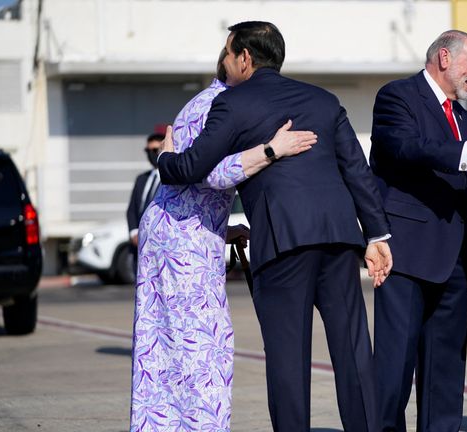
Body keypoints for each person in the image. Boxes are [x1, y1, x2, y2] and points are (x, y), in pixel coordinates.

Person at [158, 22, 392, 432]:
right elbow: (357, 170)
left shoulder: (232, 103)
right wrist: (376, 234)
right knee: (354, 349)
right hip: (338, 237)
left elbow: (194, 166)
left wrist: (165, 157)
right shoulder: (323, 99)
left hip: (283, 242)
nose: (224, 63)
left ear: (245, 58)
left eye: (228, 54)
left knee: (288, 359)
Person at [129, 47, 317, 431]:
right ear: (244, 61)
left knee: (166, 350)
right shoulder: (222, 104)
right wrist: (271, 150)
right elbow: (207, 173)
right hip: (181, 242)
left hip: (179, 230)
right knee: (201, 347)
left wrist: (219, 227)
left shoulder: (208, 100)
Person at [370, 30, 467, 431]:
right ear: (444, 57)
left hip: (457, 258)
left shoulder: (465, 117)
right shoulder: (397, 96)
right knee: (394, 366)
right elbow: (404, 147)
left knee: (445, 368)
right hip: (407, 254)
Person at [127, 133, 163, 251]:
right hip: (138, 246)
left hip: (158, 244)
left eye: (155, 150)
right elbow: (132, 209)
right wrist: (134, 233)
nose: (151, 154)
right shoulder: (142, 179)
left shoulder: (171, 180)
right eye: (148, 151)